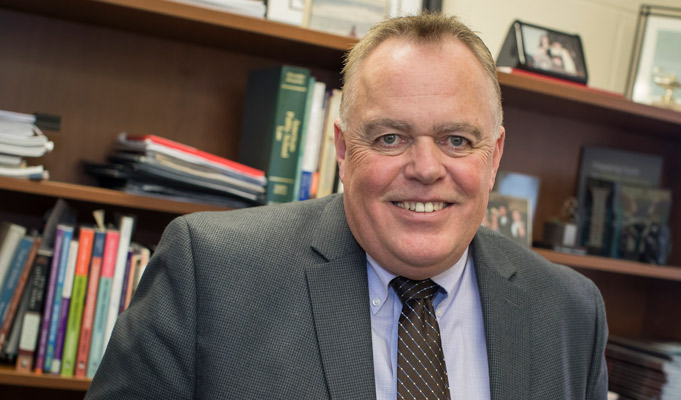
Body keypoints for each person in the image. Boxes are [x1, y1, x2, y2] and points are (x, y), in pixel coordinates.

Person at [87, 13, 608, 399]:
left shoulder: (570, 312)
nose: (426, 169)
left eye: (456, 140)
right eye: (389, 138)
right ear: (341, 149)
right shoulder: (212, 273)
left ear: (493, 156)